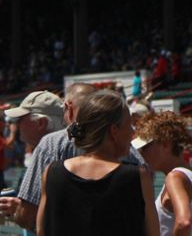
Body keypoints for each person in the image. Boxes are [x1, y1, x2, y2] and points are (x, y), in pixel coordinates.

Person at [36, 90, 156, 236]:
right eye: (129, 126)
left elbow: (40, 231)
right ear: (114, 131)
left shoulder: (51, 173)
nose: (133, 133)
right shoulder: (138, 176)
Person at [0, 83, 101, 231]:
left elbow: (27, 216)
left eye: (20, 119)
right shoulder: (121, 144)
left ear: (41, 123)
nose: (16, 125)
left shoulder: (51, 146)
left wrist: (18, 210)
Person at [135, 111, 192, 236]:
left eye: (145, 148)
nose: (141, 154)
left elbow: (184, 223)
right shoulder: (191, 173)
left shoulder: (175, 177)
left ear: (165, 145)